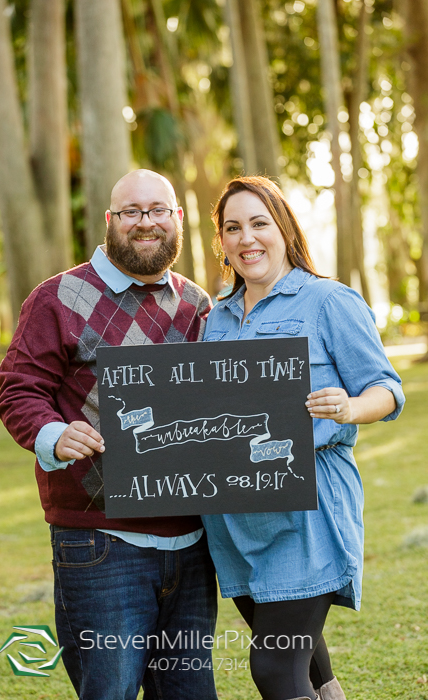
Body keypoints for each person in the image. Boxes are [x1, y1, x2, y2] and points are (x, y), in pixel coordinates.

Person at [0, 169, 218, 700]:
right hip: (99, 542)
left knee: (191, 693)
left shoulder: (198, 306)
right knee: (110, 691)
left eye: (158, 211)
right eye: (131, 213)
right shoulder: (57, 298)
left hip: (191, 543)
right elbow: (18, 390)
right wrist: (52, 432)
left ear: (177, 218)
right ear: (110, 221)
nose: (146, 223)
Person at [201, 176, 405, 700]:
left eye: (259, 223)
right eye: (233, 227)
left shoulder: (328, 301)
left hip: (307, 514)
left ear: (284, 229)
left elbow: (386, 388)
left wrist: (351, 407)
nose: (247, 238)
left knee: (273, 666)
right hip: (237, 523)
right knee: (307, 664)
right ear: (221, 242)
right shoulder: (215, 319)